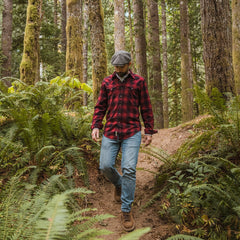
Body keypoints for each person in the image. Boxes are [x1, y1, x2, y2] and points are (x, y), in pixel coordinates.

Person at [91, 50, 157, 232]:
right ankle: (120, 184)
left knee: (129, 168)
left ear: (129, 65)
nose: (118, 69)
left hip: (131, 132)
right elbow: (100, 106)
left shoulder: (139, 82)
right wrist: (96, 125)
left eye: (121, 66)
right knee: (105, 166)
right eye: (116, 67)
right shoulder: (107, 82)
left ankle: (126, 210)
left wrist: (149, 130)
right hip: (111, 131)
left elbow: (146, 107)